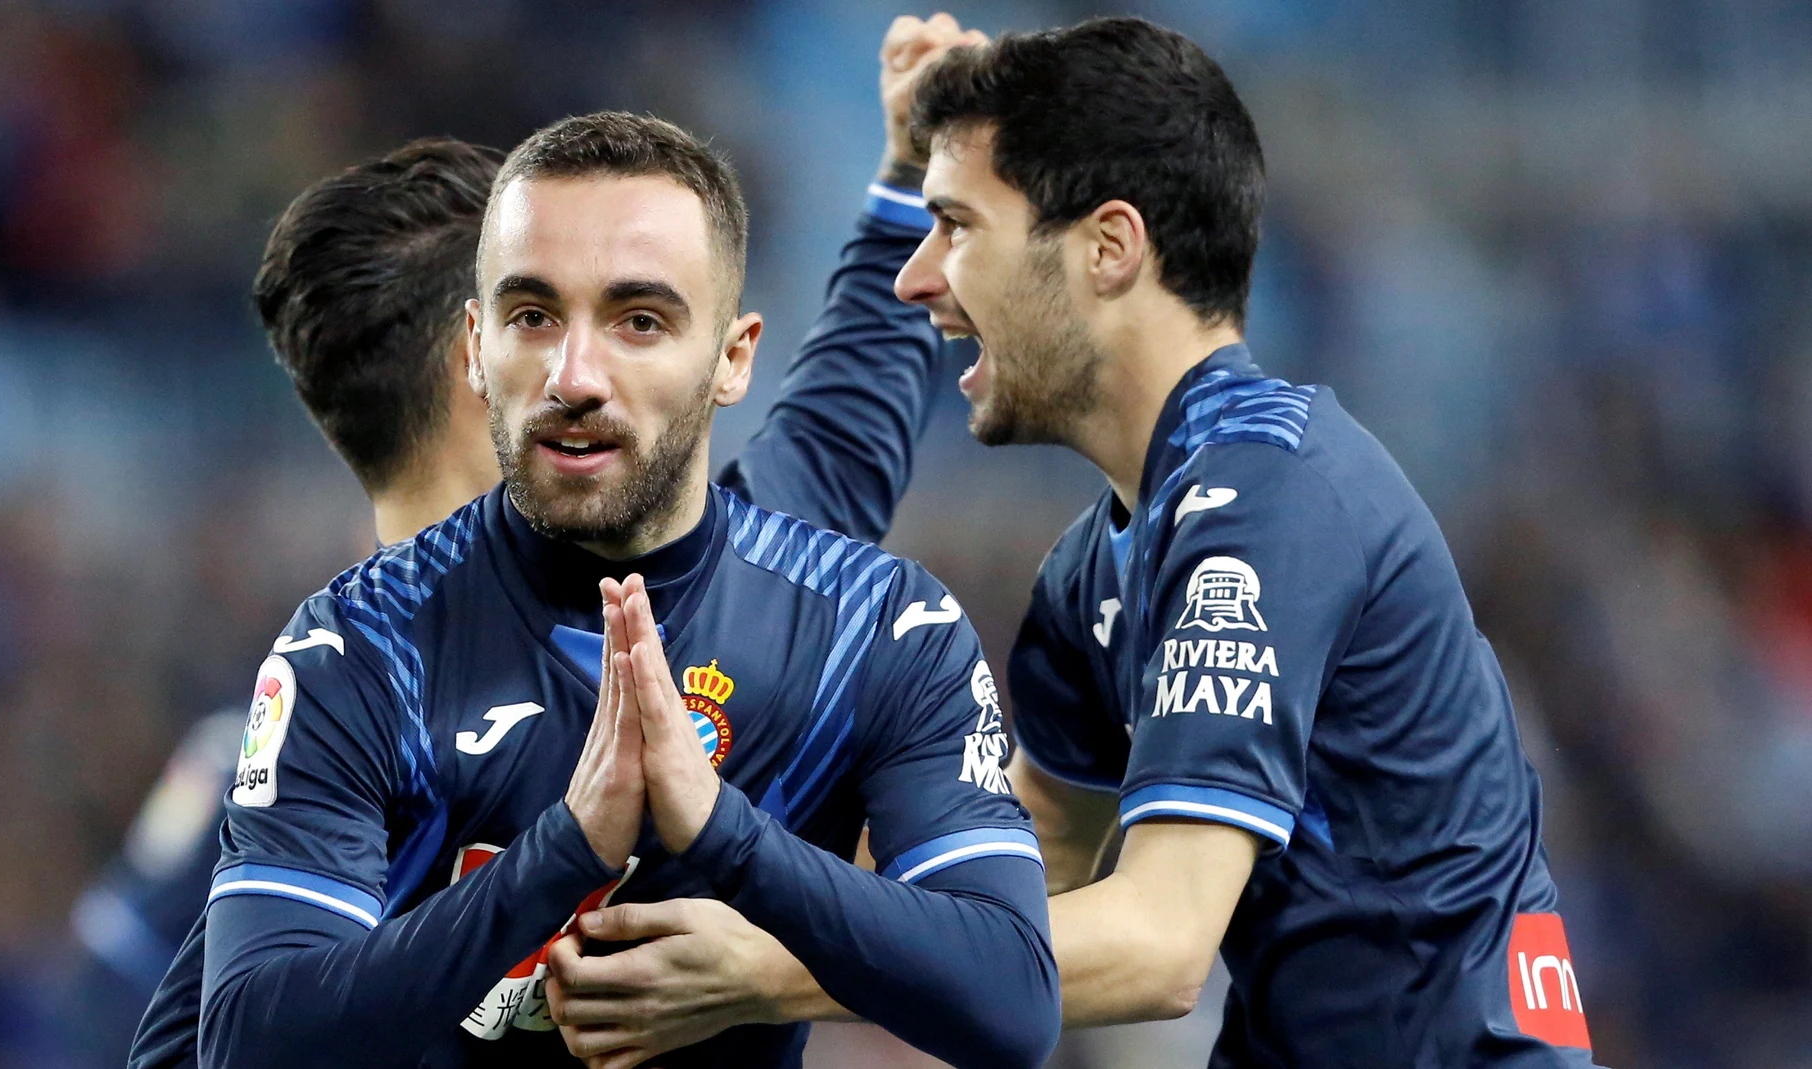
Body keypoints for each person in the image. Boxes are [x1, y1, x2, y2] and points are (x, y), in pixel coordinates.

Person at [558, 14, 1602, 1069]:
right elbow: (1013, 876)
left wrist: (768, 970)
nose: (921, 279)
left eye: (957, 228)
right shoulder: (1092, 570)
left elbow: (1157, 946)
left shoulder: (1270, 500)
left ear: (1108, 248)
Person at [123, 15, 986, 1069]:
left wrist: (907, 175)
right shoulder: (348, 704)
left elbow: (838, 436)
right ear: (476, 354)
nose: (589, 364)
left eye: (636, 316)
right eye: (542, 306)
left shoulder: (733, 587)